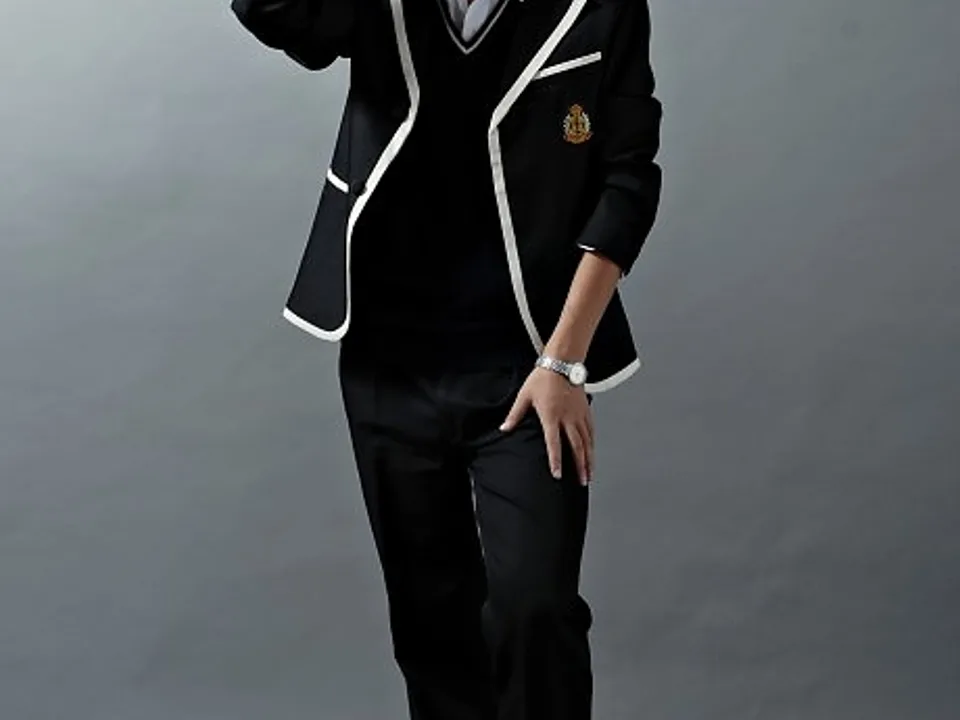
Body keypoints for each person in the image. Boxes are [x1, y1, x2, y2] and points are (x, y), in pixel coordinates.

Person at [229, 0, 662, 717]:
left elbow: (629, 177)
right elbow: (279, 14)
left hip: (528, 369)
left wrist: (563, 362)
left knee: (536, 612)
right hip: (390, 364)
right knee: (432, 627)